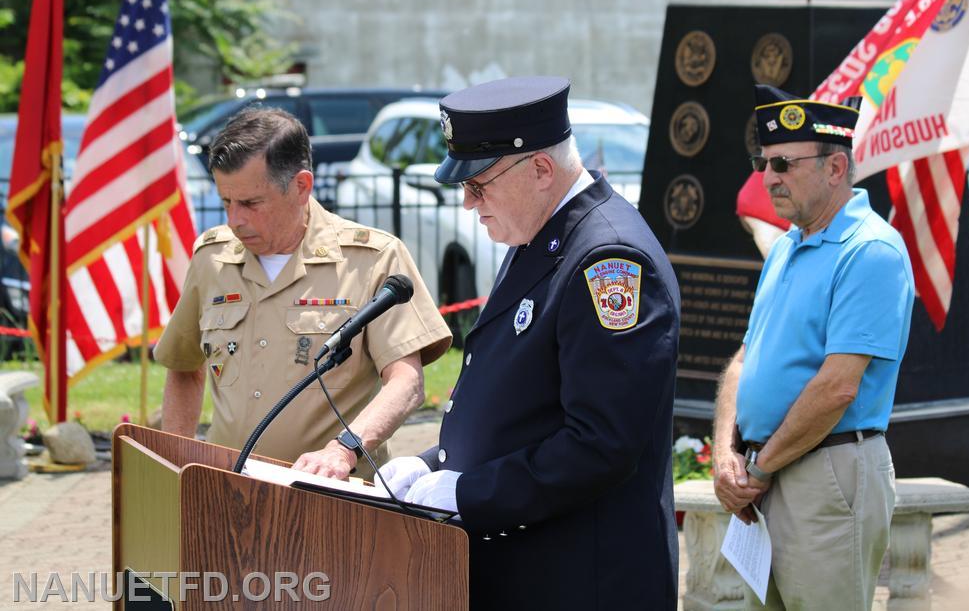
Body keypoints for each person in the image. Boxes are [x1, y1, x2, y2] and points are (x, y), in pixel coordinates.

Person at [376, 76, 681, 610]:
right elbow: (519, 404)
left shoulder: (607, 258)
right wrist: (434, 464)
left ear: (541, 169)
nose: (469, 204)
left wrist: (466, 492)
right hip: (529, 564)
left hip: (583, 580)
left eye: (480, 185)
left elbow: (601, 443)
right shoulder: (539, 233)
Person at [154, 107, 451, 478]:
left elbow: (406, 382)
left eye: (250, 203)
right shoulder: (212, 258)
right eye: (226, 202)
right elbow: (183, 367)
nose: (235, 220)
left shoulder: (371, 259)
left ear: (301, 187)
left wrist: (343, 450)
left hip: (329, 498)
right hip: (229, 495)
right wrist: (175, 462)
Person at [712, 85, 915, 610]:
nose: (768, 178)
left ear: (834, 168)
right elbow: (744, 359)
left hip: (825, 473)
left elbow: (837, 386)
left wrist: (757, 470)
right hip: (769, 473)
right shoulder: (786, 246)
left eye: (783, 163)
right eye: (764, 162)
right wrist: (724, 454)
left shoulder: (870, 250)